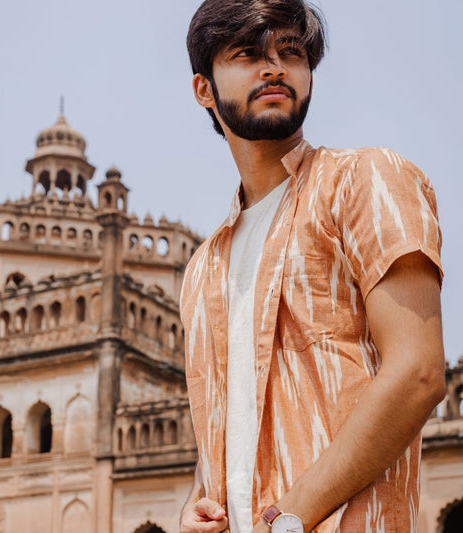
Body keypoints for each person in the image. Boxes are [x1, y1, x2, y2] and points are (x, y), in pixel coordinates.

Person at [178, 1, 446, 533]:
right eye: (248, 53)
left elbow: (417, 373)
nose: (274, 67)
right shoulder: (202, 269)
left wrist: (288, 515)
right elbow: (233, 416)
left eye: (291, 52)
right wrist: (197, 495)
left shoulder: (364, 182)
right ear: (204, 90)